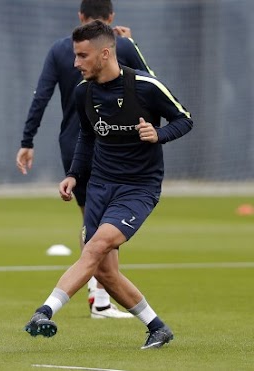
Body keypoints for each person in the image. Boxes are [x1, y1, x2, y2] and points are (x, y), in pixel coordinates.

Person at [24, 20, 193, 349]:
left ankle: (44, 312)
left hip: (138, 189)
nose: (76, 63)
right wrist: (74, 174)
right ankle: (157, 327)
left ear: (105, 53)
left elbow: (184, 118)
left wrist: (159, 134)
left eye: (82, 56)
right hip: (100, 185)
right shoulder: (82, 91)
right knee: (104, 271)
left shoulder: (145, 87)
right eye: (75, 56)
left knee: (95, 247)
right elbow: (87, 137)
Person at [16, 0, 154, 319]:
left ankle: (98, 296)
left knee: (92, 222)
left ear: (80, 16)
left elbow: (42, 94)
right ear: (111, 19)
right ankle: (101, 299)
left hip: (73, 142)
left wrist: (27, 140)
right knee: (105, 225)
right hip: (111, 145)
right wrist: (131, 43)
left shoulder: (58, 49)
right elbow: (152, 85)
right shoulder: (121, 46)